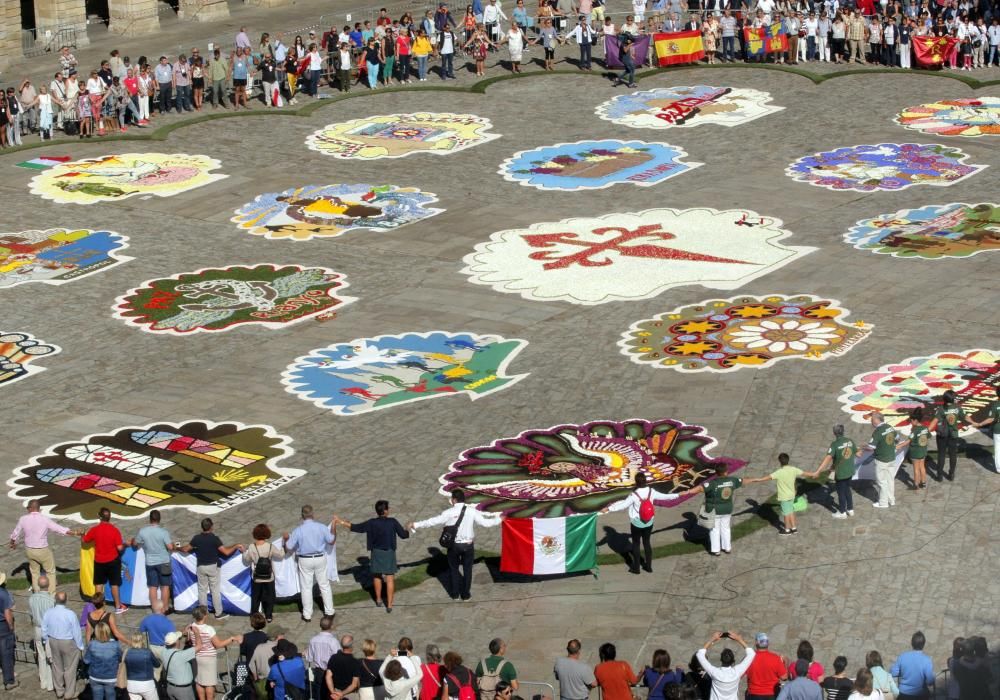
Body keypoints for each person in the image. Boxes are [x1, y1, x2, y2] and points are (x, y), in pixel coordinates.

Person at [410, 490, 500, 600]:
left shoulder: (449, 512)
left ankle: (455, 594)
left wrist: (416, 524)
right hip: (468, 546)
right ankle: (466, 595)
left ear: (454, 500)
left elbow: (433, 521)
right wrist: (500, 519)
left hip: (454, 546)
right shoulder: (472, 511)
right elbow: (486, 523)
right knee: (468, 570)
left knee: (454, 569)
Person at [336, 501, 409, 612]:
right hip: (389, 553)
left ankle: (379, 600)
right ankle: (389, 605)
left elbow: (357, 527)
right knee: (389, 579)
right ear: (385, 511)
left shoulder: (371, 523)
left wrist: (341, 522)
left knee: (377, 577)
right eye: (388, 508)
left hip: (376, 553)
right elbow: (403, 535)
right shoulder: (392, 522)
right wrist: (408, 529)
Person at [9, 499, 77, 593]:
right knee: (51, 572)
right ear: (38, 508)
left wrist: (12, 543)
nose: (27, 509)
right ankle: (51, 593)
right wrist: (76, 533)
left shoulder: (23, 519)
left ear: (31, 508)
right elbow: (60, 529)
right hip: (43, 551)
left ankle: (37, 592)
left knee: (35, 572)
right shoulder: (45, 519)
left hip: (30, 550)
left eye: (28, 508)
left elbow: (15, 533)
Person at [745, 454, 824, 535]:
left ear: (780, 461)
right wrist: (815, 473)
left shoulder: (779, 472)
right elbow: (806, 473)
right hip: (792, 495)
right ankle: (794, 528)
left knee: (786, 514)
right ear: (788, 460)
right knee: (791, 511)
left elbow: (763, 479)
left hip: (785, 497)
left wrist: (752, 480)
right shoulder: (793, 469)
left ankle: (787, 530)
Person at [182, 518, 243, 620]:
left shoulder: (196, 538)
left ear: (202, 527)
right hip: (213, 567)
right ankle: (218, 613)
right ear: (211, 527)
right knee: (215, 590)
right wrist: (236, 545)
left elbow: (185, 549)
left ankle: (202, 614)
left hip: (201, 567)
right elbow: (226, 552)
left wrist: (177, 548)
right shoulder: (214, 539)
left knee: (202, 590)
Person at [284, 506, 335, 622]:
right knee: (324, 585)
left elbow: (289, 547)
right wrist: (334, 526)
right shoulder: (321, 527)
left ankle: (307, 614)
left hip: (305, 559)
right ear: (313, 514)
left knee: (306, 587)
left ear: (302, 516)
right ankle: (329, 611)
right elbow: (331, 540)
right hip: (320, 558)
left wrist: (286, 539)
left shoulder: (298, 530)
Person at [680, 463, 741, 556]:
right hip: (727, 509)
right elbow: (745, 481)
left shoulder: (712, 483)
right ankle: (727, 548)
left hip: (714, 511)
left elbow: (699, 488)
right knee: (726, 528)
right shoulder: (732, 480)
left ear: (716, 472)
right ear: (726, 472)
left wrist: (687, 491)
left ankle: (716, 550)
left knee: (714, 530)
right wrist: (761, 479)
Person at [187, 605, 241, 700]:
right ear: (204, 615)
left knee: (199, 681)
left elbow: (189, 639)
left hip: (197, 656)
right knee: (209, 684)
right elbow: (218, 644)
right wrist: (231, 639)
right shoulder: (208, 629)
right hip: (208, 658)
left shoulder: (192, 626)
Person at [82, 507, 126, 613]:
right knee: (114, 584)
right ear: (109, 517)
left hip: (99, 561)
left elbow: (85, 540)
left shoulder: (94, 529)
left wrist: (82, 534)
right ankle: (118, 606)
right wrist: (125, 545)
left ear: (99, 517)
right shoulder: (115, 530)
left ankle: (98, 607)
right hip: (113, 561)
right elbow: (120, 548)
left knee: (99, 584)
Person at [42, 591, 83, 699]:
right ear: (66, 600)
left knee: (57, 666)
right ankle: (69, 693)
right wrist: (80, 646)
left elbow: (44, 628)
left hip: (53, 640)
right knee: (70, 668)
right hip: (67, 642)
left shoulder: (49, 612)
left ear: (55, 599)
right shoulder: (70, 614)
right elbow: (76, 632)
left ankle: (59, 690)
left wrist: (46, 640)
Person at [132, 509, 175, 611]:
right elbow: (170, 547)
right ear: (159, 519)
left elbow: (135, 543)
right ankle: (164, 608)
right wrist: (173, 544)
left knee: (153, 587)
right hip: (164, 562)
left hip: (150, 563)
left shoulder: (143, 531)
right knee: (165, 586)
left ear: (150, 519)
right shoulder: (163, 532)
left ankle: (155, 609)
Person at [695, 632, 756, 700]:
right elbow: (751, 653)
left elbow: (699, 654)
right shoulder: (737, 672)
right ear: (733, 661)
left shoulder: (714, 672)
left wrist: (712, 639)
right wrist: (739, 639)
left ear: (721, 659)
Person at [244, 523, 285, 622]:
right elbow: (280, 555)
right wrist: (284, 546)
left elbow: (246, 559)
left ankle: (254, 615)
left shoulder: (252, 547)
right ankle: (269, 615)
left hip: (257, 577)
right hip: (269, 576)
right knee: (270, 596)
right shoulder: (270, 546)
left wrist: (244, 551)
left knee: (256, 597)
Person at [816, 425, 857, 518]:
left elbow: (827, 458)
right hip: (850, 471)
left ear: (834, 433)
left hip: (840, 473)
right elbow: (857, 453)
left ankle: (842, 512)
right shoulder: (850, 441)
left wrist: (818, 471)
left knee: (841, 492)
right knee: (847, 489)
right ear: (843, 431)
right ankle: (850, 509)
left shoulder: (834, 444)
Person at [865, 412, 900, 508]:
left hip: (881, 459)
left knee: (881, 482)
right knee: (890, 480)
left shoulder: (878, 431)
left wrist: (863, 447)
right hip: (891, 458)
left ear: (876, 420)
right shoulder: (889, 427)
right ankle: (891, 500)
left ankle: (883, 503)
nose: (871, 422)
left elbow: (871, 447)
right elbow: (897, 438)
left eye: (872, 420)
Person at [931, 390, 967, 482]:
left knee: (941, 454)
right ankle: (951, 474)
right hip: (953, 434)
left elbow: (934, 421)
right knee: (953, 455)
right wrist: (975, 423)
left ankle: (939, 476)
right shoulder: (957, 408)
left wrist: (926, 431)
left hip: (942, 435)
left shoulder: (941, 409)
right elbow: (965, 417)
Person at [890, 632, 934, 700]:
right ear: (923, 644)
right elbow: (930, 681)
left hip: (903, 694)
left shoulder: (903, 656)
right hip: (920, 695)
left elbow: (893, 673)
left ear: (912, 643)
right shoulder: (927, 660)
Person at [29, 575, 55, 690]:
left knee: (41, 655)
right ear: (48, 585)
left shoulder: (31, 598)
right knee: (50, 656)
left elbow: (31, 615)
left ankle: (43, 682)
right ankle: (50, 683)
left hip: (37, 628)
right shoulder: (51, 600)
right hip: (47, 629)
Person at [84, 622, 122, 700]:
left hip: (95, 676)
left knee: (97, 697)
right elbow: (120, 659)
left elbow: (86, 660)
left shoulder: (92, 644)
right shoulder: (115, 644)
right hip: (111, 676)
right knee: (111, 696)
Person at [306, 616, 341, 699]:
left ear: (320, 626)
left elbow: (309, 658)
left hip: (318, 671)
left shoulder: (313, 640)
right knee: (331, 691)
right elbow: (338, 658)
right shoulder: (333, 641)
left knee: (319, 691)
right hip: (331, 671)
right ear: (331, 626)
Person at [745, 633, 787, 700]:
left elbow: (739, 675)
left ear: (756, 643)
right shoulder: (776, 658)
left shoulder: (749, 658)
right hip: (771, 695)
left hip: (753, 694)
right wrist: (785, 663)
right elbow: (784, 677)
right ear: (768, 644)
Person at [968, 386, 1000, 473]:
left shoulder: (996, 405)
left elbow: (991, 419)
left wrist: (980, 424)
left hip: (998, 430)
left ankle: (999, 468)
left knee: (998, 449)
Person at [139, 599, 175, 668]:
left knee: (154, 668)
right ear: (162, 609)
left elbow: (141, 631)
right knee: (167, 667)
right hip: (164, 649)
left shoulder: (146, 619)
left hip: (151, 648)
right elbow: (173, 638)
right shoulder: (168, 622)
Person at [125, 631, 161, 700]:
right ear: (142, 641)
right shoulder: (147, 652)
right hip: (146, 684)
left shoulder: (127, 652)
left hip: (131, 685)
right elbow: (157, 665)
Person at [162, 630, 197, 700]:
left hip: (170, 687)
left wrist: (182, 632)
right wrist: (197, 633)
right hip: (183, 691)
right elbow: (200, 646)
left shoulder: (164, 651)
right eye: (178, 639)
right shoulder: (182, 655)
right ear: (176, 642)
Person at [326, 634, 361, 700]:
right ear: (352, 646)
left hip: (336, 692)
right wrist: (342, 693)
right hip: (350, 694)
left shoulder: (333, 658)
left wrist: (333, 692)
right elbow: (354, 684)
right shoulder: (355, 662)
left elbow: (328, 676)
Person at [906, 408, 931, 490]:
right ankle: (923, 483)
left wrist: (898, 446)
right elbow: (928, 436)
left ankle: (915, 484)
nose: (911, 422)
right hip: (923, 451)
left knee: (916, 469)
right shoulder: (925, 428)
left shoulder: (915, 430)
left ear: (915, 420)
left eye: (911, 421)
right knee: (922, 467)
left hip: (915, 452)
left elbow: (908, 441)